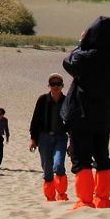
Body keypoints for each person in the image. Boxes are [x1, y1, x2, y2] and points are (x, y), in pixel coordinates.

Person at [61, 16, 110, 209]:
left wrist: (81, 43)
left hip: (81, 113)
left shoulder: (84, 56)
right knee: (102, 155)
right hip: (104, 115)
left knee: (81, 157)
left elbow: (67, 62)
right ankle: (103, 198)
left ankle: (85, 200)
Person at [29, 73, 70, 201]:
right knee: (46, 167)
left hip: (61, 138)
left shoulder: (66, 101)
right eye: (53, 84)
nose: (55, 86)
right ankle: (50, 197)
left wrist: (73, 140)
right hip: (44, 138)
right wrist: (33, 138)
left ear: (62, 86)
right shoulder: (42, 100)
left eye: (58, 84)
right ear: (49, 86)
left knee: (58, 165)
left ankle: (62, 194)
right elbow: (35, 120)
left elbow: (72, 121)